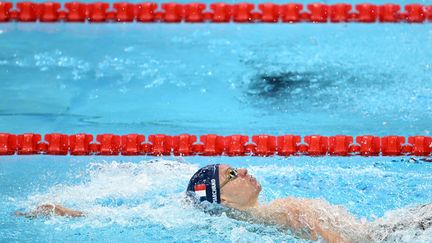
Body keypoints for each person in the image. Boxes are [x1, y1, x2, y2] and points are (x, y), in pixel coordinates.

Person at [17, 164, 431, 243]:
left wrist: (66, 214)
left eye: (238, 169)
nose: (245, 172)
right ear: (220, 199)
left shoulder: (252, 218)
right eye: (232, 176)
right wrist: (70, 214)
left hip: (392, 231)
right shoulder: (284, 210)